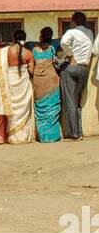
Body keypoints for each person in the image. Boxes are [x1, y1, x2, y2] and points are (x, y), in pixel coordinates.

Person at [59, 12, 94, 140]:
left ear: (73, 22)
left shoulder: (71, 32)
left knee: (70, 102)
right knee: (77, 101)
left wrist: (70, 55)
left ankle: (74, 134)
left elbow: (63, 42)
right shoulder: (89, 33)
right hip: (84, 69)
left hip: (72, 68)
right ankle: (78, 130)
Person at [32, 28, 62, 142]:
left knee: (40, 107)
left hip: (38, 82)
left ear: (40, 36)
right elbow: (57, 63)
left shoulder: (34, 49)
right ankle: (53, 136)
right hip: (51, 80)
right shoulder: (52, 49)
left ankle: (43, 137)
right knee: (52, 107)